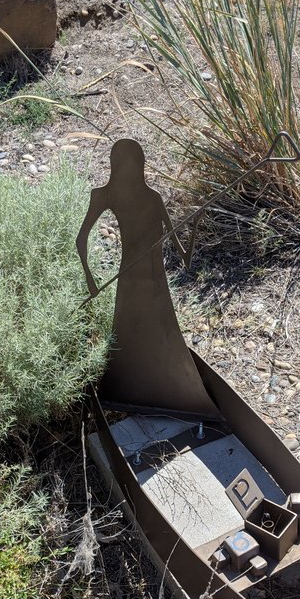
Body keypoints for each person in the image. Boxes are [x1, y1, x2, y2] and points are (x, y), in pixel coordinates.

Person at [76, 139, 219, 418]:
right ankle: (128, 390)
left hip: (154, 282)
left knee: (159, 336)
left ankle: (176, 396)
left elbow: (184, 257)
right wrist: (91, 282)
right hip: (133, 279)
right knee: (132, 335)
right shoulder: (105, 195)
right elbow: (80, 241)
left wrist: (195, 224)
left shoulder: (152, 197)